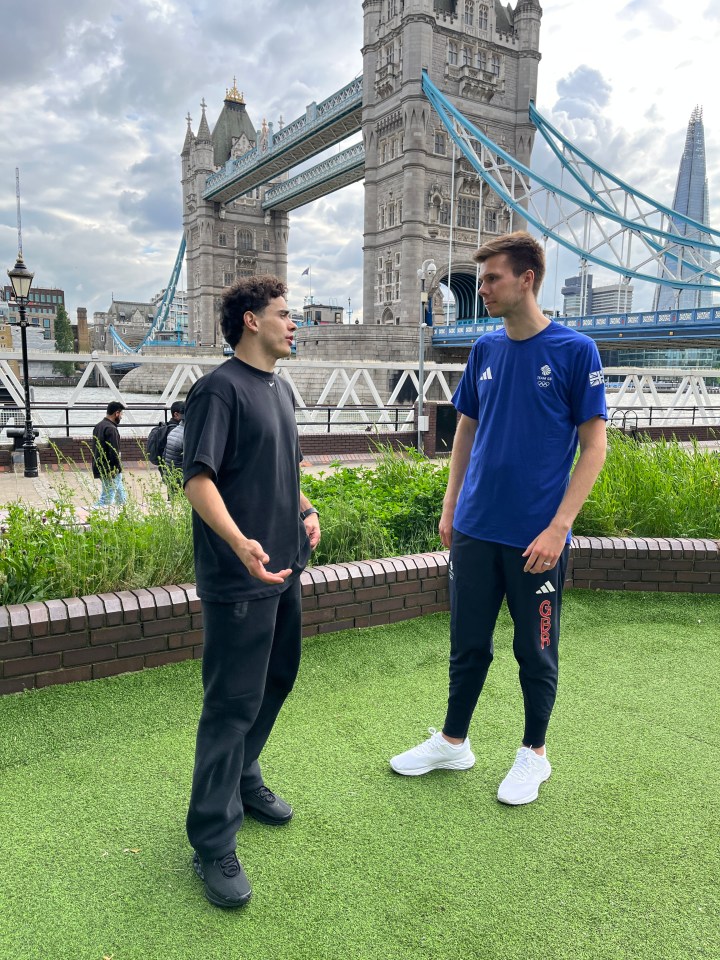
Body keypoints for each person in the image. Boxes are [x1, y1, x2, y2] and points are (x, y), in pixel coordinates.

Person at [390, 231, 607, 806]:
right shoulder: (484, 349)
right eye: (481, 278)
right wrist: (449, 502)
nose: (480, 288)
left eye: (491, 278)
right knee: (467, 644)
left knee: (535, 650)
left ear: (526, 279)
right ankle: (454, 742)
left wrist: (559, 527)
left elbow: (595, 447)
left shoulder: (575, 350)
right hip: (475, 528)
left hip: (535, 537)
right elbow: (465, 427)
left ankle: (534, 753)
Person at [183, 275, 321, 909]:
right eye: (285, 315)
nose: (294, 324)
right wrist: (241, 543)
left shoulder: (281, 386)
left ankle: (243, 775)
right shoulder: (217, 390)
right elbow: (199, 481)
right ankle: (212, 839)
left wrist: (305, 507)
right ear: (250, 322)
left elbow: (281, 465)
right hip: (240, 575)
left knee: (279, 679)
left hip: (285, 565)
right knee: (229, 704)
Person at [91, 401, 127, 507]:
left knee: (121, 495)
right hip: (111, 469)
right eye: (121, 414)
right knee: (106, 499)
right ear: (116, 413)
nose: (121, 417)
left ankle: (125, 515)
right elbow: (114, 452)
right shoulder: (111, 429)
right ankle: (93, 516)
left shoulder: (99, 426)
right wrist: (116, 469)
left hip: (100, 466)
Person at [159, 400, 185, 487]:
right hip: (180, 480)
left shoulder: (173, 431)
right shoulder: (187, 435)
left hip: (170, 477)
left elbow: (164, 456)